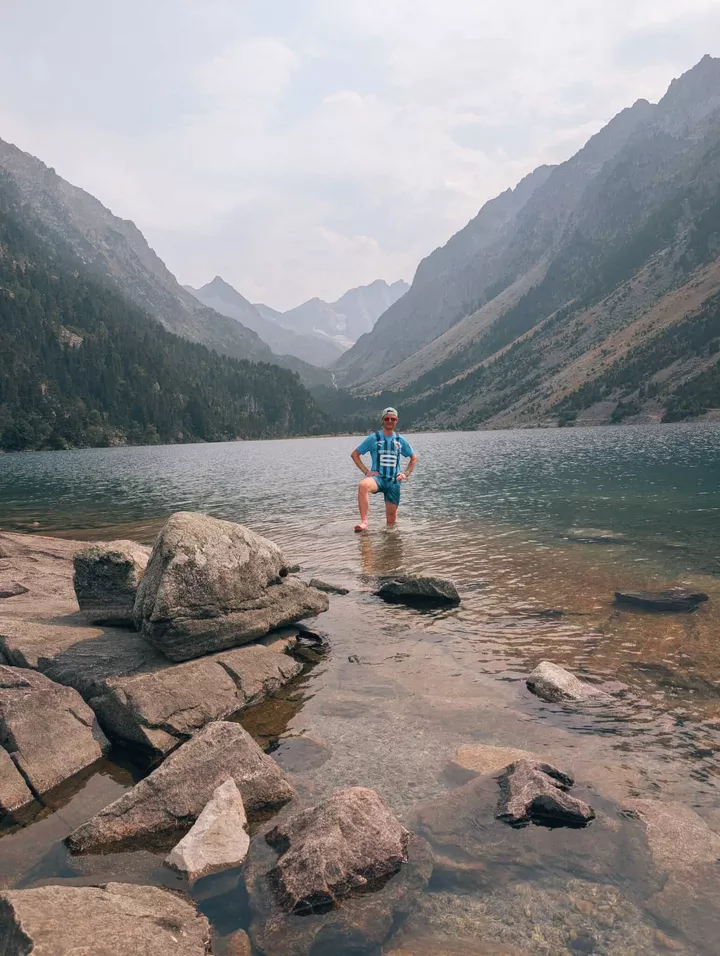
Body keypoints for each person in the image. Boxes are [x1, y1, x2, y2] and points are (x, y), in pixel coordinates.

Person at [350, 407, 417, 532]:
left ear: (396, 420)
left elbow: (413, 458)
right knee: (363, 486)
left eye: (392, 419)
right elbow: (355, 455)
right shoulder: (373, 438)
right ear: (382, 420)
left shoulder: (400, 440)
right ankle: (364, 522)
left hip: (393, 481)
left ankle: (391, 547)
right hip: (378, 478)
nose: (389, 421)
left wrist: (406, 474)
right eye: (387, 419)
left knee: (391, 523)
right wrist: (366, 471)